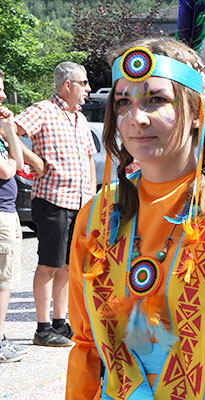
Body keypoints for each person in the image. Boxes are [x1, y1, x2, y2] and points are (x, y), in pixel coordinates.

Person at [66, 37, 205, 399]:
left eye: (156, 100)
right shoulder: (96, 216)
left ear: (197, 111)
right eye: (123, 102)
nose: (137, 117)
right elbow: (88, 347)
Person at [15, 61, 96, 347]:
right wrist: (32, 159)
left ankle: (60, 323)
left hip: (78, 203)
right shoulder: (44, 110)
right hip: (52, 199)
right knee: (49, 264)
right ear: (67, 86)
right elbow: (9, 130)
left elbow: (89, 157)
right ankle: (42, 328)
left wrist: (90, 198)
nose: (88, 89)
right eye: (83, 83)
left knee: (67, 266)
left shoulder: (80, 118)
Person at [0, 70, 27, 362]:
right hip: (1, 216)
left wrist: (8, 128)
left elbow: (18, 161)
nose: (4, 96)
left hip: (8, 211)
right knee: (3, 283)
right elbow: (7, 170)